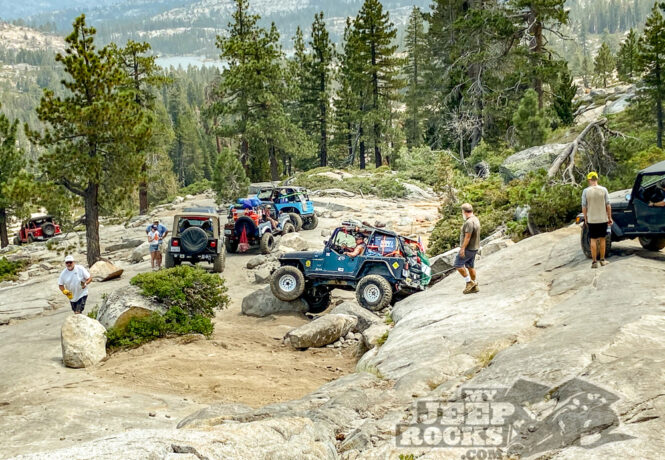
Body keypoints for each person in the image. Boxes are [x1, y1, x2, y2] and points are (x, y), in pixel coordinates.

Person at [582, 171, 612, 268]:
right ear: (597, 179)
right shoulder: (604, 190)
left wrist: (585, 218)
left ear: (589, 180)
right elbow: (608, 205)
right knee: (602, 239)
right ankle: (602, 260)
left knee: (593, 240)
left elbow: (584, 206)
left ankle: (594, 262)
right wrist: (609, 217)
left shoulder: (586, 191)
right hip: (602, 218)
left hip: (592, 219)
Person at [455, 203, 480, 295]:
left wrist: (462, 249)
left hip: (468, 248)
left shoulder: (469, 222)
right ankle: (475, 285)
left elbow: (467, 237)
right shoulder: (475, 219)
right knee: (470, 266)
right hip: (475, 247)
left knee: (458, 265)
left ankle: (469, 282)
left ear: (464, 212)